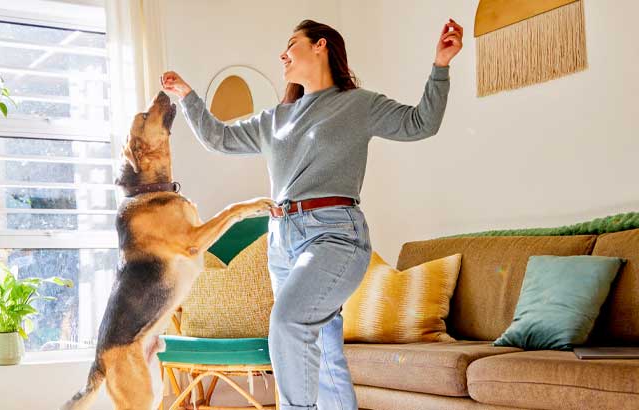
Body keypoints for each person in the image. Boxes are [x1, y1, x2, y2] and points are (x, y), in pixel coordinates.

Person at [161, 18, 463, 410]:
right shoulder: (275, 119)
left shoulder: (358, 104)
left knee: (287, 323)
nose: (282, 53)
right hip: (281, 240)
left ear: (321, 46)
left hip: (335, 235)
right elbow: (219, 137)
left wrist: (440, 66)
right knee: (323, 348)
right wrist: (187, 96)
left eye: (292, 43)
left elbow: (421, 123)